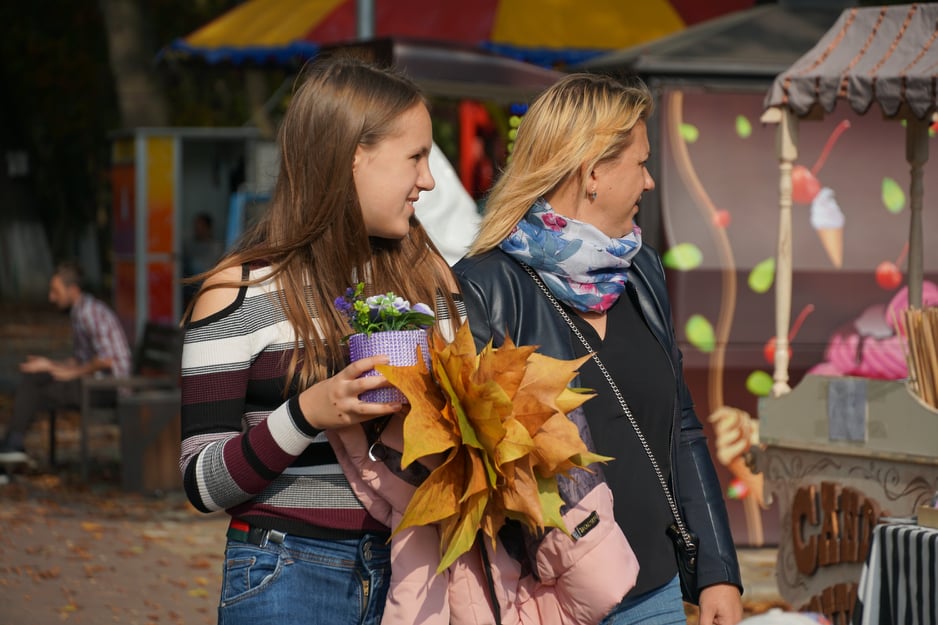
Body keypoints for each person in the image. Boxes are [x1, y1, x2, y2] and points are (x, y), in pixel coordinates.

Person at [178, 57, 464, 625]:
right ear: (353, 156)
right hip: (286, 575)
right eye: (415, 157)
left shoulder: (427, 279)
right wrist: (307, 413)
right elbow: (202, 482)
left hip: (418, 574)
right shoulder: (238, 291)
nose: (429, 179)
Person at [452, 73, 744, 625]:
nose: (650, 181)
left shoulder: (642, 273)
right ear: (593, 174)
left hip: (654, 591)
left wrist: (717, 570)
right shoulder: (484, 287)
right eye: (640, 163)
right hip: (548, 601)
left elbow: (681, 426)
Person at [0, 261, 132, 464]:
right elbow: (80, 359)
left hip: (109, 386)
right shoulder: (79, 312)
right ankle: (13, 443)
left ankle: (13, 443)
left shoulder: (90, 313)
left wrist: (70, 373)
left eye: (56, 291)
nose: (51, 298)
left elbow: (106, 360)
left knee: (35, 387)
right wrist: (50, 365)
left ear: (72, 290)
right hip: (95, 382)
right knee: (36, 378)